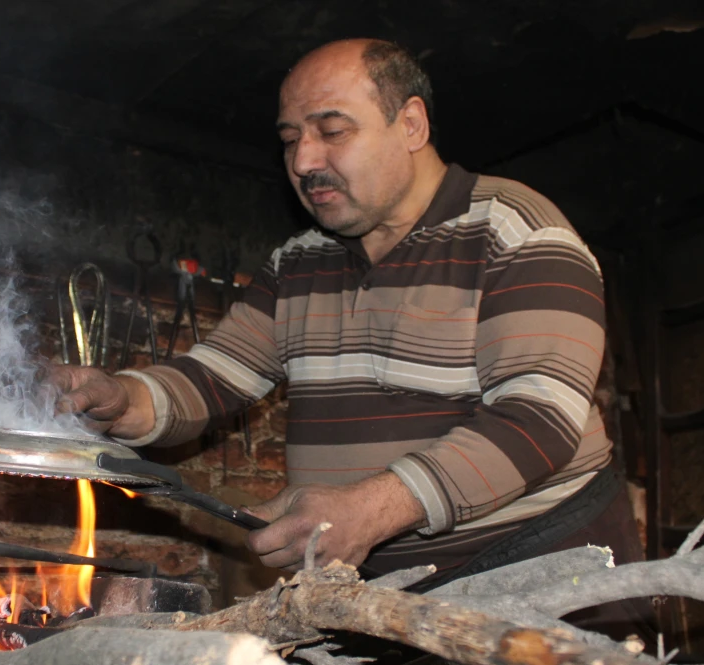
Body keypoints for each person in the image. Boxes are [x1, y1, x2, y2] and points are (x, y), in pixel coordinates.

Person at [52, 38, 644, 595]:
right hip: (381, 590)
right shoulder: (299, 263)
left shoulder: (515, 228)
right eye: (289, 140)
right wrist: (120, 397)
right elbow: (209, 380)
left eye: (332, 130)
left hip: (544, 571)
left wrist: (369, 509)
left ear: (410, 124)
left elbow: (538, 418)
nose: (305, 160)